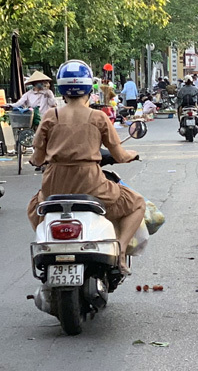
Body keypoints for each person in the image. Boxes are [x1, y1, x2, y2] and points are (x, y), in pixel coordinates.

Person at [26, 60, 145, 274]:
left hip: (54, 186)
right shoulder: (98, 117)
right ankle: (120, 251)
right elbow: (119, 155)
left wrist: (36, 161)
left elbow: (37, 157)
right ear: (90, 89)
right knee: (136, 204)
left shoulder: (50, 116)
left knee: (35, 208)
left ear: (61, 89)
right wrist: (132, 155)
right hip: (91, 184)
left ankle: (50, 248)